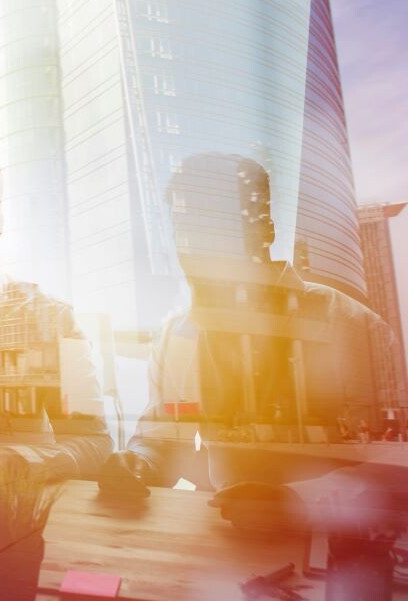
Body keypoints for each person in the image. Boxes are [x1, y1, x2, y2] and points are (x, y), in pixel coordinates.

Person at [98, 155, 405, 535]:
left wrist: (299, 500)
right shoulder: (174, 335)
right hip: (221, 537)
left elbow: (393, 462)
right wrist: (139, 463)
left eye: (214, 229)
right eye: (184, 231)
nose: (195, 250)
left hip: (331, 543)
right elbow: (162, 439)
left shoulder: (351, 326)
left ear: (266, 232)